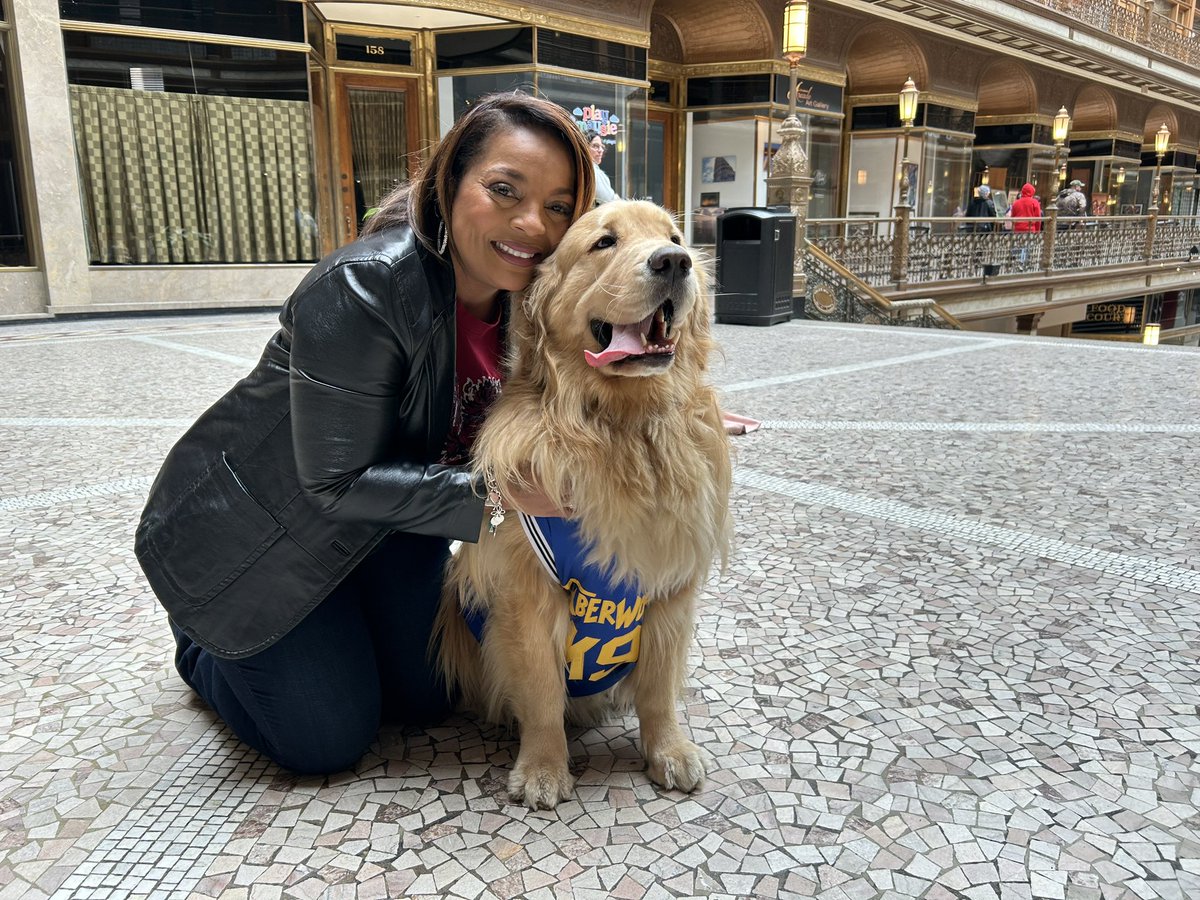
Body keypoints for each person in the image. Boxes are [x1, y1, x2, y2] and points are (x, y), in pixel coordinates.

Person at [134, 92, 596, 776]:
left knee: (433, 696)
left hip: (387, 530)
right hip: (260, 542)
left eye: (559, 206)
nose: (532, 224)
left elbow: (564, 394)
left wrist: (658, 414)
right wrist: (500, 494)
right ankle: (204, 642)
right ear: (450, 182)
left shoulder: (526, 302)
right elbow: (335, 482)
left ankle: (342, 631)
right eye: (504, 190)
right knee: (324, 741)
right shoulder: (367, 286)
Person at [589, 133, 619, 204]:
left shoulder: (592, 168)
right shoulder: (591, 170)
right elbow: (607, 199)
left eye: (601, 146)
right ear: (584, 147)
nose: (600, 150)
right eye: (595, 146)